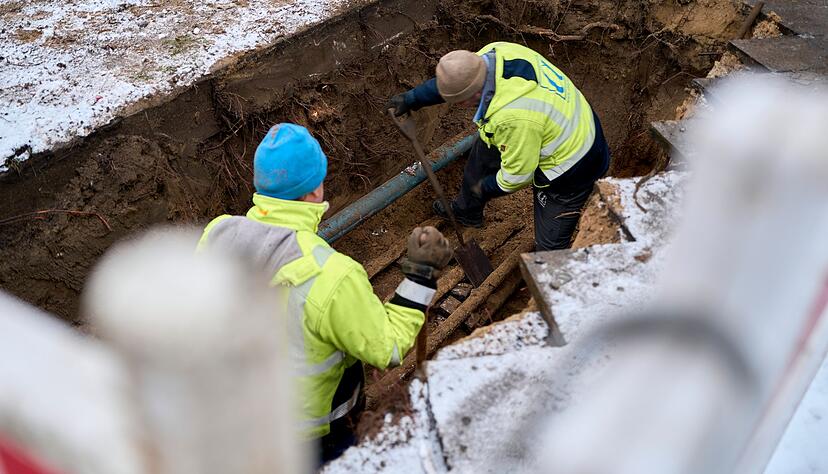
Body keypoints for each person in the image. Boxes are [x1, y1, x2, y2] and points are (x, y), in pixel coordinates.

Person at [197, 123, 452, 465]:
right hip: (312, 436)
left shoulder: (218, 233)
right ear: (315, 191)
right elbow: (387, 348)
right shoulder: (331, 274)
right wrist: (421, 277)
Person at [388, 41, 611, 251]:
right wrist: (412, 98)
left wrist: (485, 188)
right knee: (482, 152)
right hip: (564, 119)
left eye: (459, 101)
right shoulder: (493, 53)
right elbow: (457, 82)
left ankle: (553, 283)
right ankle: (467, 212)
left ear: (472, 96)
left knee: (549, 246)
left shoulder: (513, 117)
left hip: (573, 164)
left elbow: (518, 175)